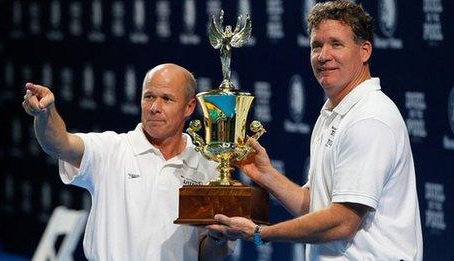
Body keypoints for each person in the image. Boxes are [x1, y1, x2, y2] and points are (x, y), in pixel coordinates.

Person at [207, 1, 423, 260]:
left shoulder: (369, 118)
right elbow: (317, 204)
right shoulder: (334, 112)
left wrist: (259, 232)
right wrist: (266, 175)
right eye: (316, 46)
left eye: (336, 44)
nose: (323, 55)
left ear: (365, 51)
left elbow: (342, 221)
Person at [22, 63, 231, 260]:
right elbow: (60, 144)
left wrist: (217, 238)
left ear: (189, 107)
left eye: (167, 99)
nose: (154, 107)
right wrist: (44, 113)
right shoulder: (111, 149)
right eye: (149, 96)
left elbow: (207, 255)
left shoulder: (208, 165)